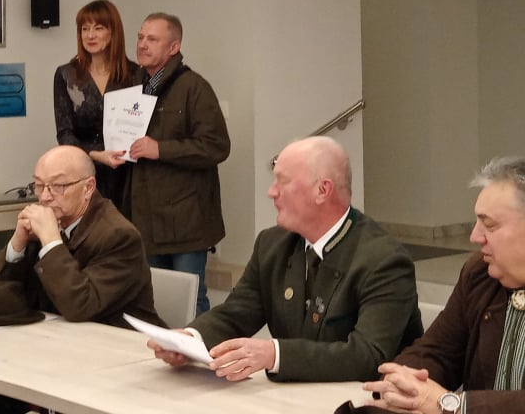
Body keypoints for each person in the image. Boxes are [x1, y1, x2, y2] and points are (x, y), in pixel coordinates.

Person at [149, 136, 423, 383]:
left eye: (283, 181)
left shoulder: (384, 260)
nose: (272, 192)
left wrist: (274, 354)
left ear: (322, 190)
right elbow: (236, 314)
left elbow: (368, 356)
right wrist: (189, 340)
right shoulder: (272, 244)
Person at [0, 145, 165, 414]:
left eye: (58, 186)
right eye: (39, 186)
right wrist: (18, 243)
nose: (45, 197)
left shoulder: (118, 235)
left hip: (115, 360)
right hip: (57, 349)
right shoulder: (51, 223)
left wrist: (51, 242)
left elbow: (79, 305)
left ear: (88, 187)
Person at [364, 156, 525, 413]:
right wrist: (403, 382)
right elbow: (437, 351)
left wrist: (455, 405)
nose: (474, 236)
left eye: (489, 225)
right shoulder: (480, 275)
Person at [128, 12, 230, 314]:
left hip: (186, 220)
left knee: (191, 300)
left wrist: (161, 149)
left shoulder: (194, 87)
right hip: (146, 218)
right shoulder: (133, 87)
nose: (143, 44)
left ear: (174, 47)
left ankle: (202, 346)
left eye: (153, 39)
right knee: (156, 300)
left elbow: (216, 146)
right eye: (140, 37)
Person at [53, 0, 138, 210]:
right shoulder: (66, 75)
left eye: (98, 28)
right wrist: (95, 155)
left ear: (113, 32)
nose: (90, 35)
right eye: (85, 29)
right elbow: (64, 133)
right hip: (83, 172)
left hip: (127, 173)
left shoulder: (135, 74)